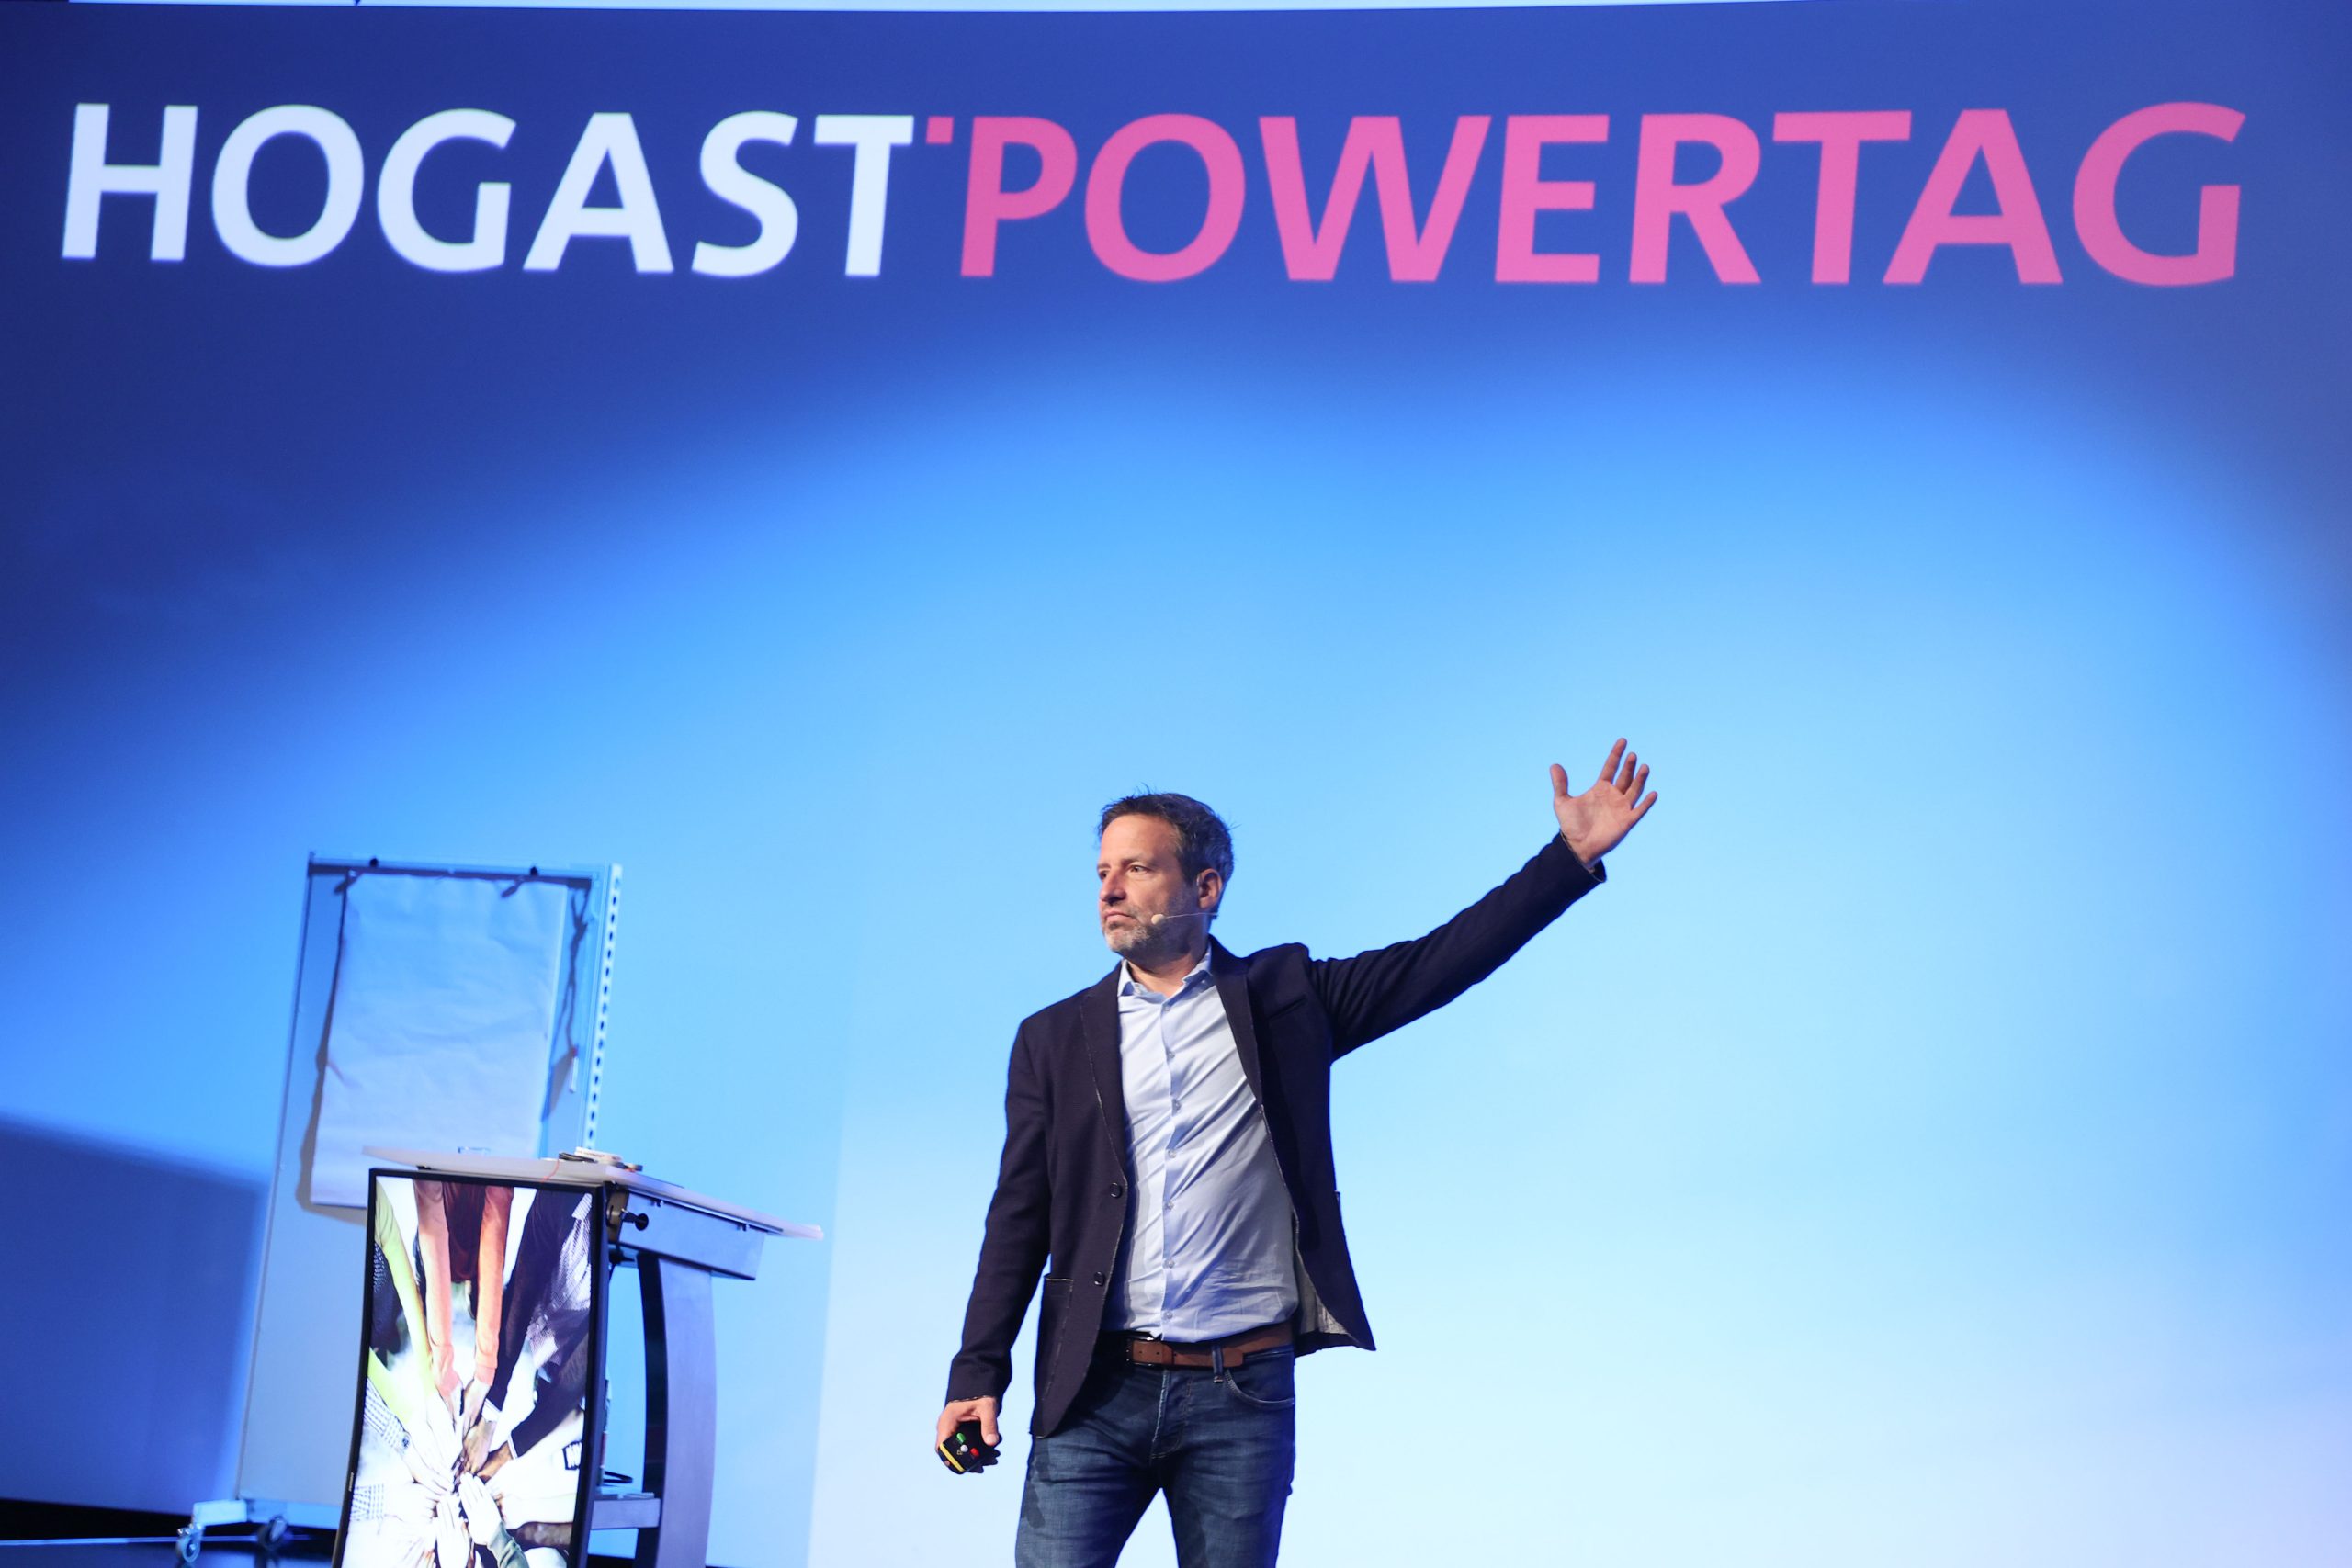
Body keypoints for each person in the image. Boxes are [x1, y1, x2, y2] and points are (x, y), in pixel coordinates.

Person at [939, 741, 1659, 1566]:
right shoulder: (1052, 1038)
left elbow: (1438, 961)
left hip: (1240, 1395)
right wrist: (975, 1373)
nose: (1109, 889)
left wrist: (1566, 860)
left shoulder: (1287, 999)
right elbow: (1018, 1218)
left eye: (1136, 868)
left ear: (1205, 887)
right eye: (1103, 871)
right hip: (1094, 1390)